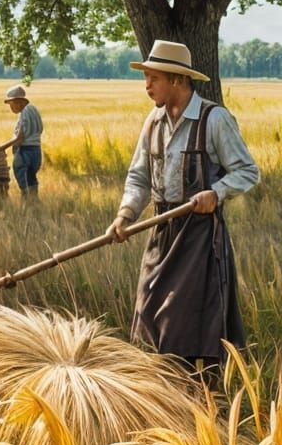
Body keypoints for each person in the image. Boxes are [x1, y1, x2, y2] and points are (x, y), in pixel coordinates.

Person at [106, 39, 259, 387]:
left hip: (199, 235)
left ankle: (200, 394)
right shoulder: (153, 123)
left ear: (177, 80)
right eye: (146, 78)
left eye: (153, 78)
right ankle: (162, 389)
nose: (146, 86)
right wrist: (125, 215)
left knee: (188, 319)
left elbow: (248, 171)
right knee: (147, 310)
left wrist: (216, 193)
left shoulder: (213, 119)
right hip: (161, 231)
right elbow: (139, 177)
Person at [1, 84, 43, 196]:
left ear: (18, 101)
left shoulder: (25, 112)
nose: (11, 108)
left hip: (25, 150)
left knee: (20, 173)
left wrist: (3, 147)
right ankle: (34, 199)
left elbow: (20, 137)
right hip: (37, 150)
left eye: (11, 104)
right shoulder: (34, 109)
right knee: (31, 176)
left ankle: (26, 198)